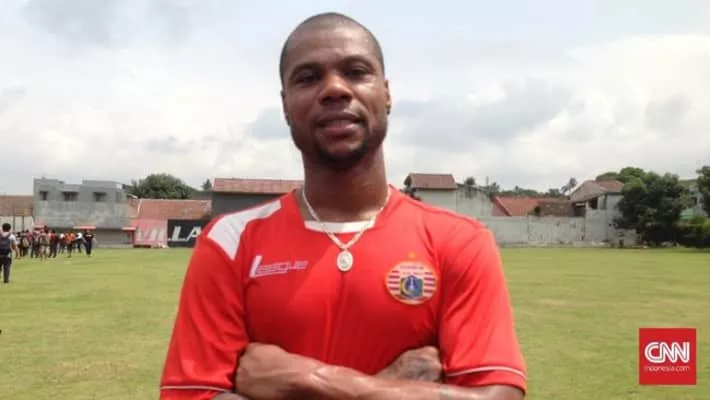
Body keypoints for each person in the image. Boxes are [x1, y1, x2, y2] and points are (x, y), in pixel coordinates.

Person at [159, 12, 526, 400]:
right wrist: (392, 387)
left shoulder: (460, 240)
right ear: (285, 105)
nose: (334, 88)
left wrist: (311, 379)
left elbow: (498, 396)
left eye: (355, 72)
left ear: (386, 93)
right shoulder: (230, 241)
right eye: (308, 78)